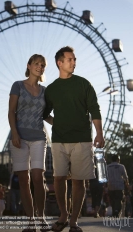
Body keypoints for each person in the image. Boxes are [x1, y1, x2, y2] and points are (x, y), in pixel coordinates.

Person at [43, 46, 104, 232]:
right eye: (70, 59)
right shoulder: (51, 89)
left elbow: (95, 109)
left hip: (83, 140)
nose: (74, 62)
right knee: (59, 178)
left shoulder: (84, 84)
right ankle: (63, 215)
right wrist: (59, 124)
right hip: (59, 140)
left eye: (74, 59)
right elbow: (44, 114)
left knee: (79, 181)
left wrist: (99, 133)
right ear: (59, 63)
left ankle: (73, 221)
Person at [8, 54, 53, 231]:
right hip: (20, 136)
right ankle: (31, 221)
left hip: (38, 137)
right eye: (36, 63)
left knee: (37, 176)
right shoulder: (18, 86)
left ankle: (41, 217)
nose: (40, 67)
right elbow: (11, 111)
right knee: (24, 179)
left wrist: (65, 123)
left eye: (42, 65)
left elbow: (46, 116)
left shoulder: (44, 91)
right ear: (29, 65)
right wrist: (14, 133)